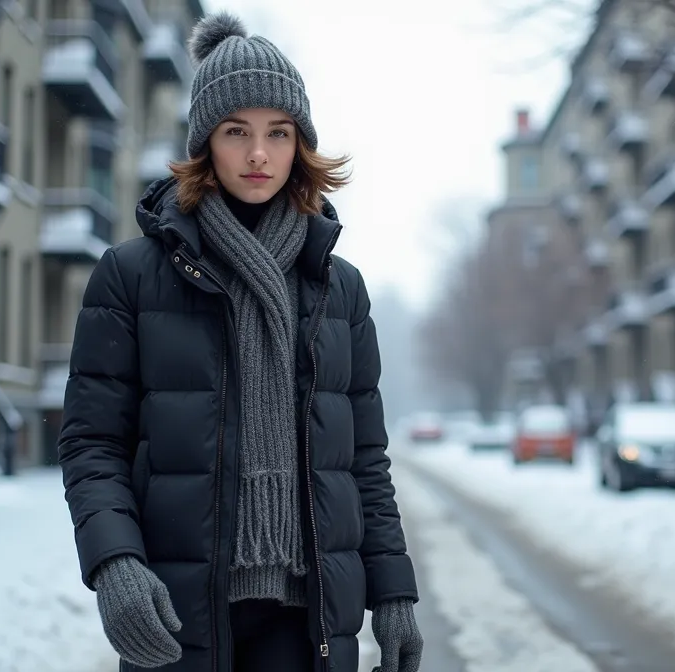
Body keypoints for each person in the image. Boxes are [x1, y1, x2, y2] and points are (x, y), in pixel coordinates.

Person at [57, 12, 423, 672]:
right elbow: (93, 443)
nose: (259, 154)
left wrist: (393, 591)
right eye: (236, 132)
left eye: (278, 132)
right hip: (181, 607)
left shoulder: (340, 289)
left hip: (307, 618)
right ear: (206, 143)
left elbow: (364, 459)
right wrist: (115, 562)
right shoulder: (132, 276)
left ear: (299, 144)